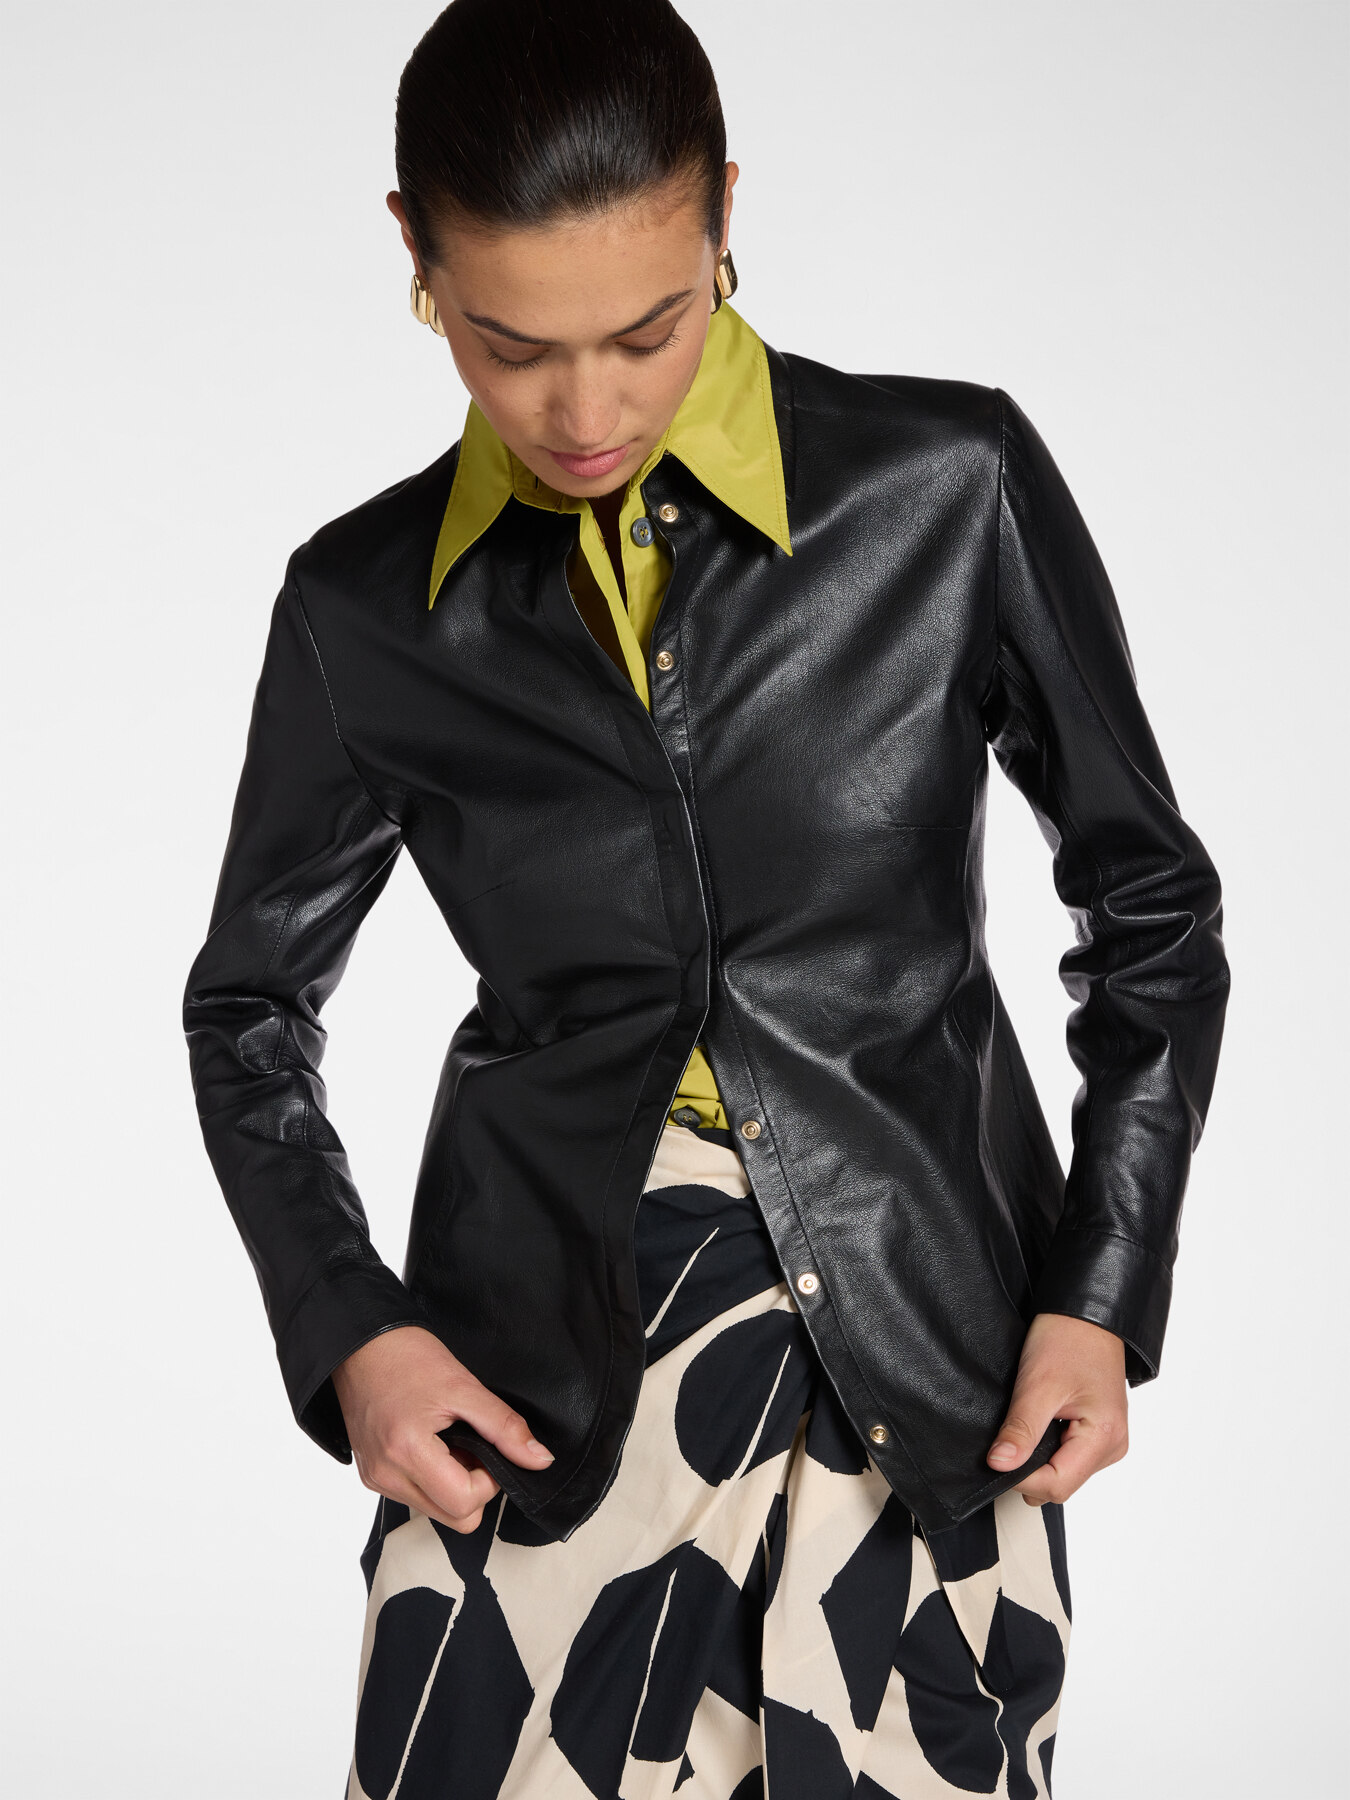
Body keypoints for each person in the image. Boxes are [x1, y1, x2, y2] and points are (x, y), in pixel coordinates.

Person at [182, 1, 1229, 1794]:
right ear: (414, 255)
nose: (583, 412)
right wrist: (348, 1327)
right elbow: (248, 1011)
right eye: (509, 346)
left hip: (924, 1360)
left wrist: (1104, 1284)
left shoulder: (944, 486)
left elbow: (1147, 904)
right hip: (535, 1393)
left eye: (647, 330)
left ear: (725, 213)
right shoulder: (360, 608)